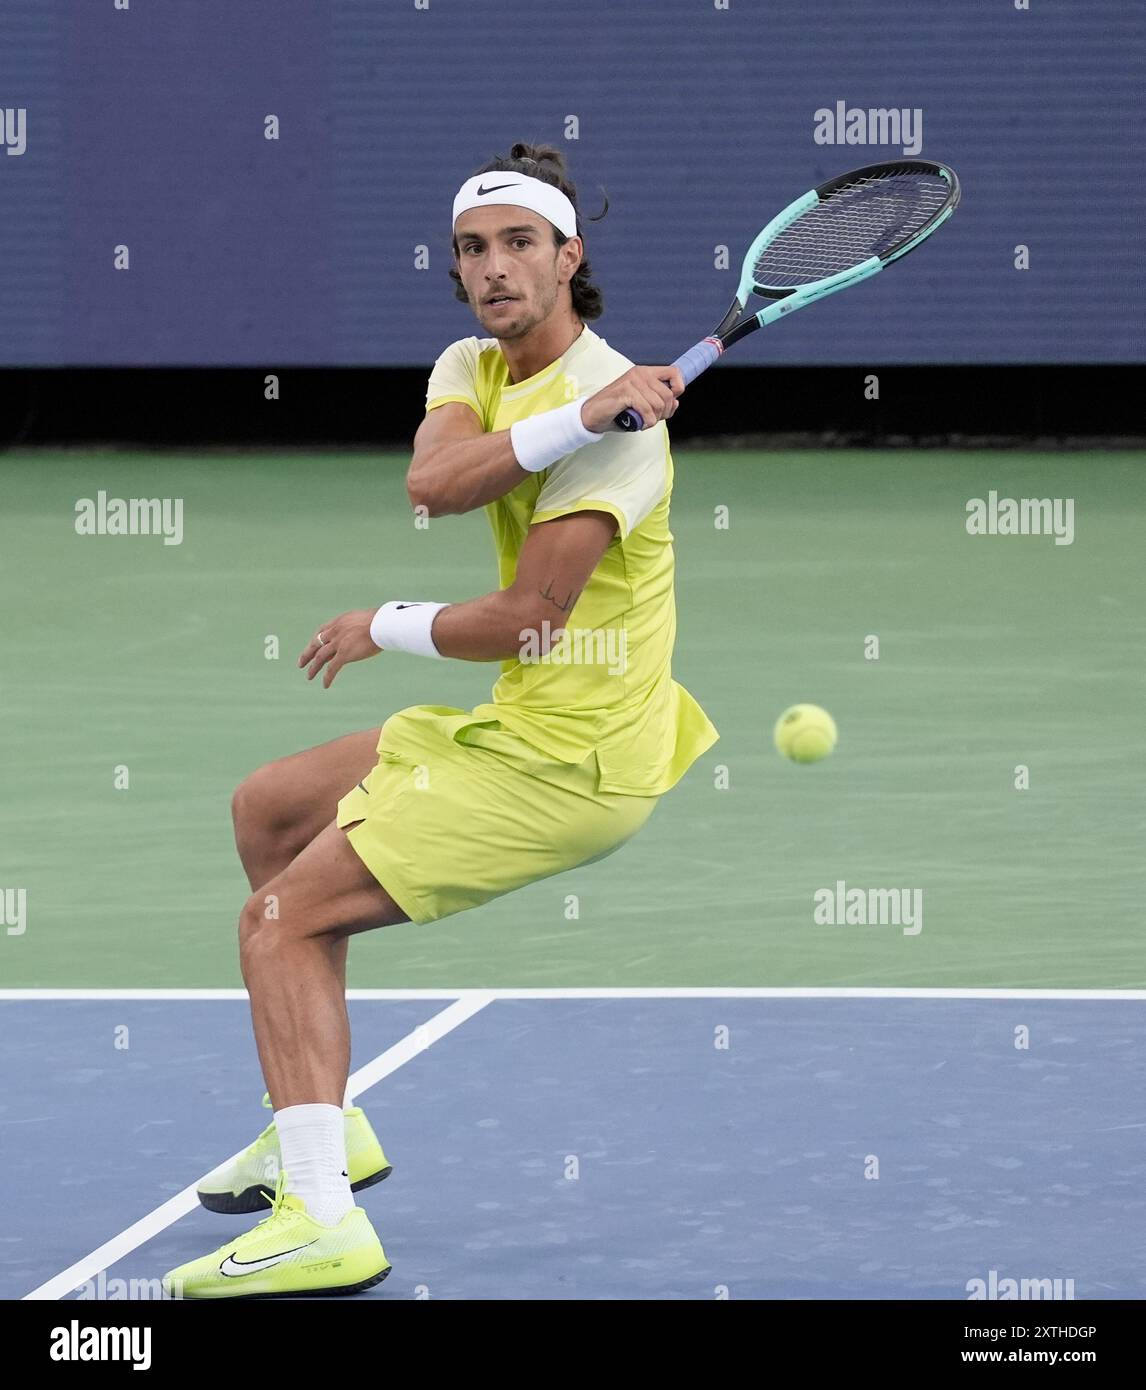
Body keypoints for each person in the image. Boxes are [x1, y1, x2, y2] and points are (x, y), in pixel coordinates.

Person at [164, 140, 718, 1298]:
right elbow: (436, 481)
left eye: (521, 244)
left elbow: (526, 619)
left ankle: (323, 1221)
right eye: (473, 248)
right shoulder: (474, 363)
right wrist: (577, 416)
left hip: (573, 765)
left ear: (571, 258)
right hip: (522, 724)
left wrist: (387, 622)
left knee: (279, 920)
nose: (493, 269)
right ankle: (323, 1129)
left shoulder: (633, 441)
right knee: (268, 809)